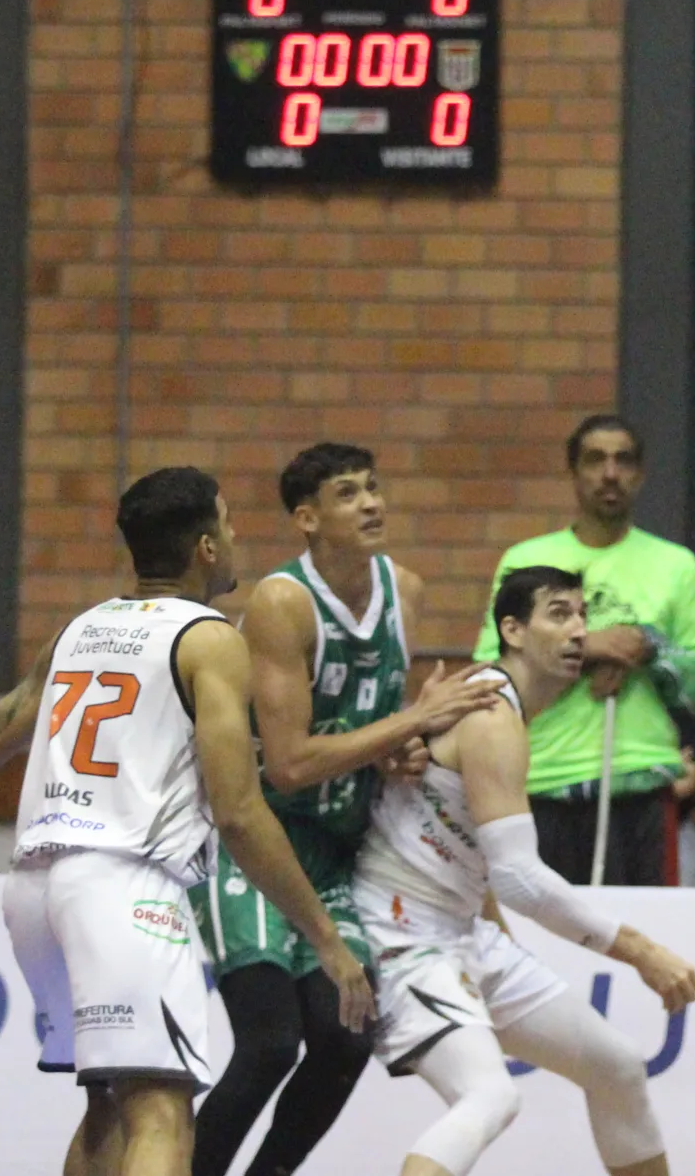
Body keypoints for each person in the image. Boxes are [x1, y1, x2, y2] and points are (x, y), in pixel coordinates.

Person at [0, 466, 376, 1176]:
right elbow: (239, 811)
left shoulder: (78, 631)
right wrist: (325, 936)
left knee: (111, 1106)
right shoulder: (211, 639)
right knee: (162, 1111)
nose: (237, 538)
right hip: (125, 890)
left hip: (31, 893)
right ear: (206, 546)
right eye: (231, 524)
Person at [190, 442, 502, 1176]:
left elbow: (372, 727)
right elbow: (292, 763)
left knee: (343, 1042)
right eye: (346, 493)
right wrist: (411, 724)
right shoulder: (281, 600)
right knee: (270, 1042)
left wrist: (403, 750)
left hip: (339, 850)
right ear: (306, 517)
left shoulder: (408, 589)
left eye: (373, 487)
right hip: (262, 841)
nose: (370, 503)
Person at [358, 565, 695, 1176]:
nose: (578, 631)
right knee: (490, 1096)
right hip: (401, 934)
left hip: (461, 932)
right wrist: (642, 951)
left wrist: (491, 933)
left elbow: (473, 854)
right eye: (558, 614)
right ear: (512, 630)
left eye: (582, 615)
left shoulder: (505, 708)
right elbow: (520, 878)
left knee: (617, 1066)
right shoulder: (492, 714)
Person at [472, 415, 695, 887]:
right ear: (573, 473)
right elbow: (489, 679)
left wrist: (646, 646)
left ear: (640, 475)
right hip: (541, 781)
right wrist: (586, 650)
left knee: (647, 944)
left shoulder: (675, 566)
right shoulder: (525, 561)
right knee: (543, 946)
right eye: (595, 460)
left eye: (623, 460)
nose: (610, 473)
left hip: (641, 783)